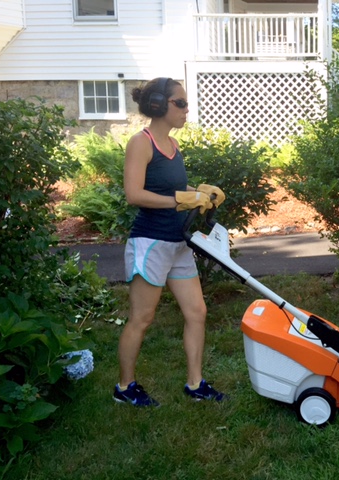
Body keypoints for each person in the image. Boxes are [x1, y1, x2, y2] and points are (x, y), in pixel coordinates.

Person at [113, 77, 226, 407]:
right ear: (159, 105)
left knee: (197, 312)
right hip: (150, 243)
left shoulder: (174, 147)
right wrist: (181, 198)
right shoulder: (141, 142)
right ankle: (124, 387)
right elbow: (134, 194)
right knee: (142, 318)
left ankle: (195, 384)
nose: (187, 109)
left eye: (186, 103)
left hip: (178, 244)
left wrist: (201, 195)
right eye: (181, 103)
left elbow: (176, 193)